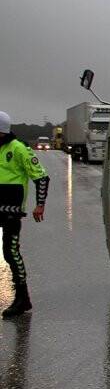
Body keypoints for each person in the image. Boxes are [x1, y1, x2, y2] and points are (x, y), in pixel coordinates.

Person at [0, 110, 48, 318]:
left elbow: (42, 177)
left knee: (11, 253)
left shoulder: (19, 148)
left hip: (12, 212)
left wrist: (40, 205)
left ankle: (22, 297)